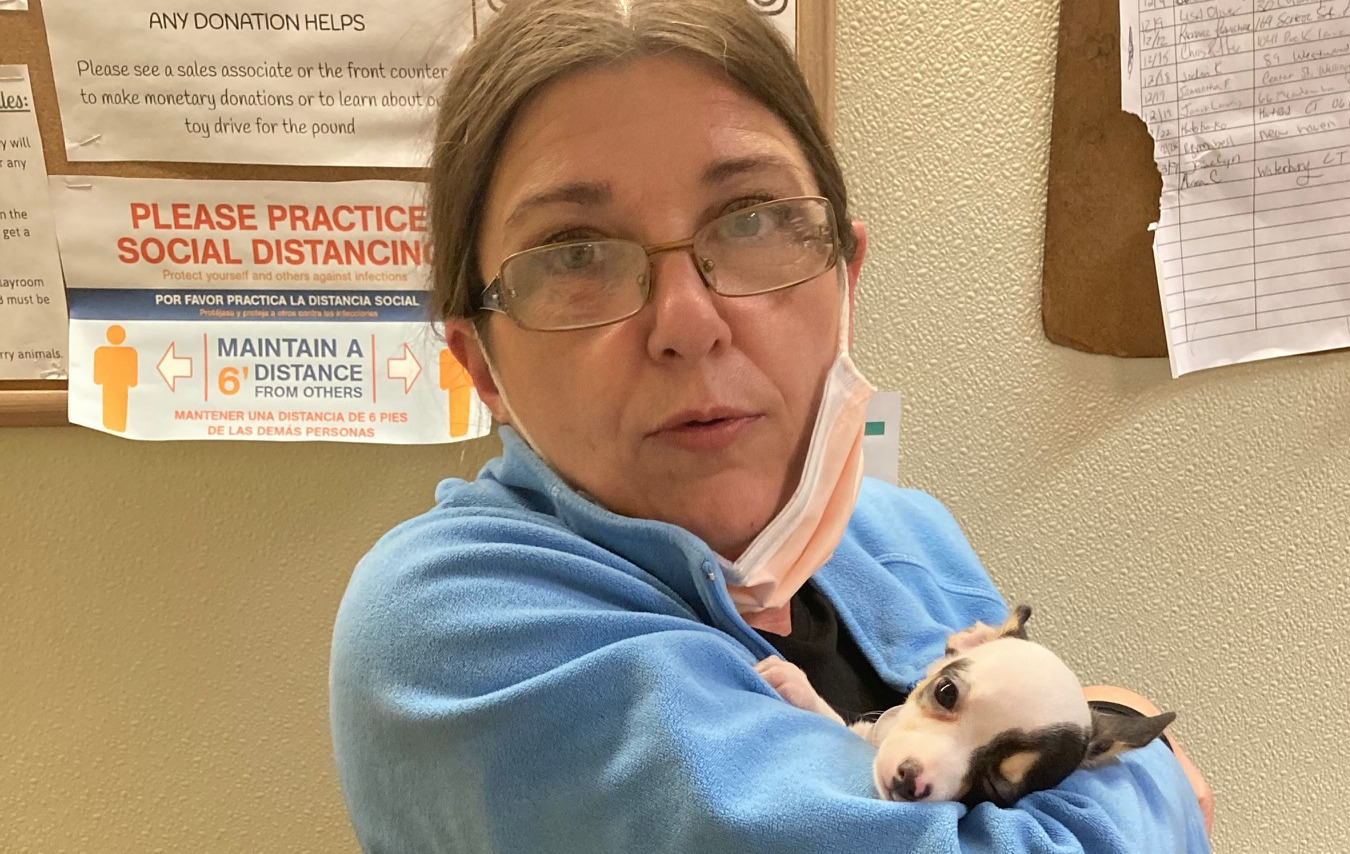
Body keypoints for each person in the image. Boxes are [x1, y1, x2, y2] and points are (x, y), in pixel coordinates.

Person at [329, 1, 1212, 851]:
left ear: (845, 278)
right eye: (575, 253)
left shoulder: (907, 536)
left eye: (750, 220)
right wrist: (1145, 754)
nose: (688, 322)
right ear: (481, 363)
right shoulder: (449, 625)